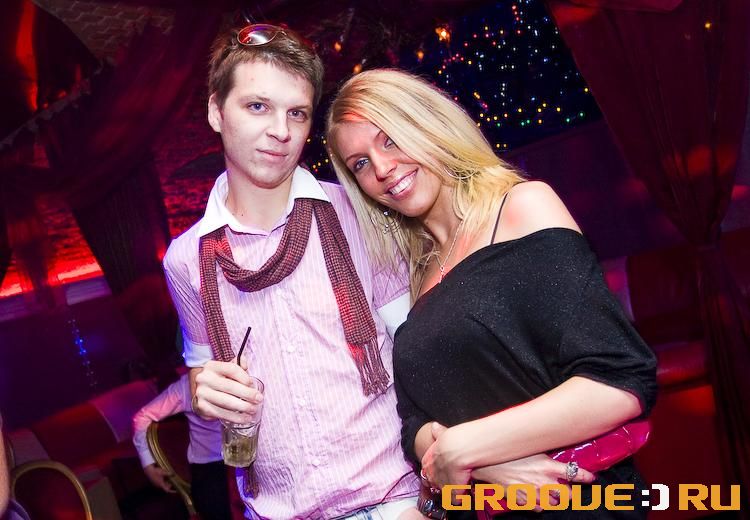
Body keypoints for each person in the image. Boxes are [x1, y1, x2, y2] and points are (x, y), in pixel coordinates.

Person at [326, 68, 658, 517]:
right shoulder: (416, 269)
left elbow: (620, 380)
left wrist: (467, 447)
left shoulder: (521, 208)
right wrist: (484, 462)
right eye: (360, 164)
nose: (382, 169)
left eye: (390, 139)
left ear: (428, 125)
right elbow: (414, 421)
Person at [163, 25, 423, 519]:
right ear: (216, 111)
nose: (281, 131)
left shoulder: (359, 211)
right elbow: (203, 372)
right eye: (257, 106)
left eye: (297, 113)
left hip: (397, 497)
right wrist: (203, 390)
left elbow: (417, 345)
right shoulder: (185, 260)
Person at [132, 373, 231, 520]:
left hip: (247, 464)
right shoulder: (188, 385)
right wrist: (148, 465)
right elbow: (142, 417)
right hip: (212, 474)